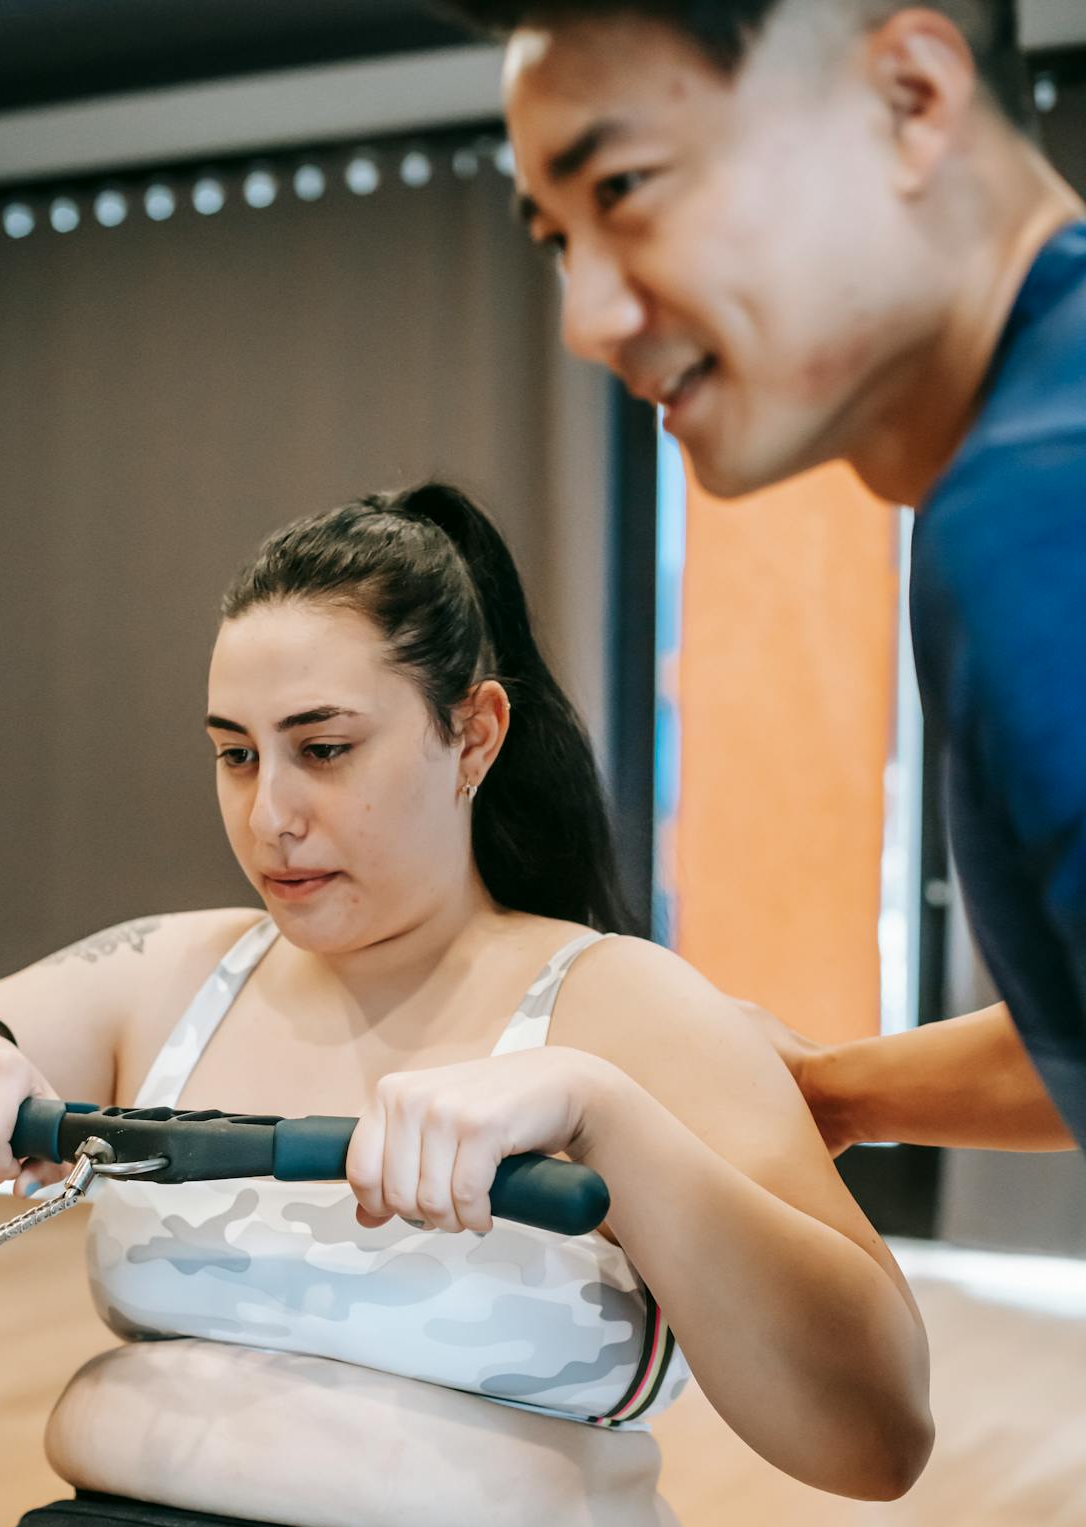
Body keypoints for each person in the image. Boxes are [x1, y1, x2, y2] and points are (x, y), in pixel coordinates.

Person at [0, 483, 931, 1527]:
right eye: (235, 753)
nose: (271, 814)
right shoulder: (169, 969)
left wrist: (607, 1118)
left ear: (471, 735)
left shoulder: (627, 1007)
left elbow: (878, 1433)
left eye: (324, 749)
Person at [445, 0, 1086, 1155]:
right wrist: (823, 1092)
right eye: (556, 240)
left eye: (626, 189)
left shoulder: (1036, 508)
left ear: (911, 102)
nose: (586, 319)